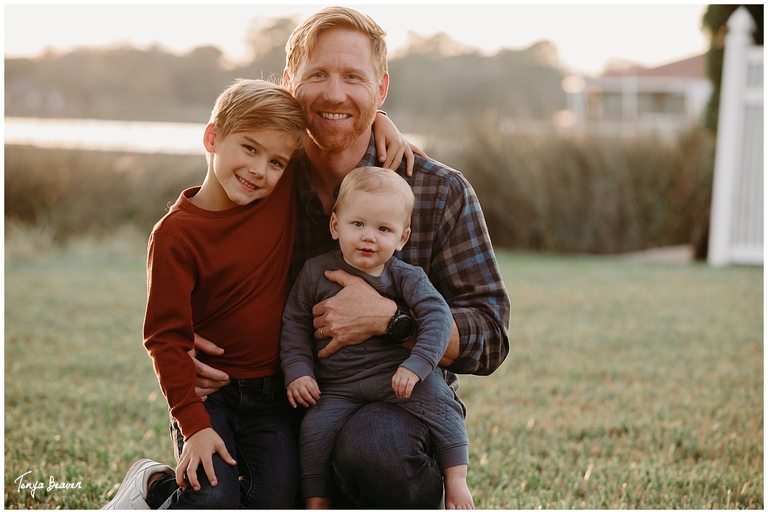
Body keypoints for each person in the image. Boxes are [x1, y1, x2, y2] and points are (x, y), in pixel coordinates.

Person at [193, 6, 511, 509]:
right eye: (317, 74)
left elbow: (491, 336)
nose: (335, 93)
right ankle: (159, 490)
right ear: (289, 83)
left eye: (353, 78)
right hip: (270, 404)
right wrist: (184, 344)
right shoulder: (265, 178)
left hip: (395, 405)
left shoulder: (436, 191)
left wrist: (395, 321)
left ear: (381, 90)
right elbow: (192, 245)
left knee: (375, 444)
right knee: (227, 494)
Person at [101, 78, 419, 510]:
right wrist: (193, 426)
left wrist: (380, 120)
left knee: (273, 498)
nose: (259, 169)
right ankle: (155, 489)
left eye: (275, 161)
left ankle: (161, 486)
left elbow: (332, 127)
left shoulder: (277, 187)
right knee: (213, 496)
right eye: (248, 149)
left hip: (273, 394)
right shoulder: (175, 236)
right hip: (210, 396)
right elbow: (164, 337)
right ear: (213, 137)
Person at [282, 166, 474, 509]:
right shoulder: (315, 272)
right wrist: (298, 370)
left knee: (440, 401)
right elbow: (294, 323)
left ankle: (456, 480)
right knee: (314, 430)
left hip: (397, 379)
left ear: (402, 238)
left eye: (383, 229)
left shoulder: (405, 276)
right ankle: (316, 499)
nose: (369, 237)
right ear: (335, 225)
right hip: (338, 386)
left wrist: (417, 365)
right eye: (358, 224)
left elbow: (439, 317)